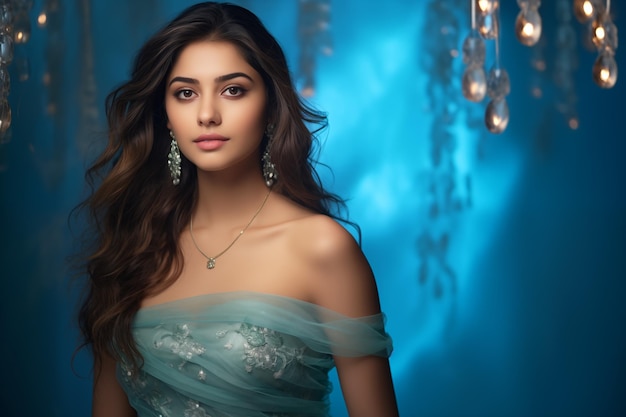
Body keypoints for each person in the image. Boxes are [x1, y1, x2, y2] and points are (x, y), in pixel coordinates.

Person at [77, 2, 398, 416]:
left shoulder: (322, 249)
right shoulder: (132, 247)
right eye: (186, 93)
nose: (207, 115)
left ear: (269, 106)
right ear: (168, 116)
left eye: (233, 90)